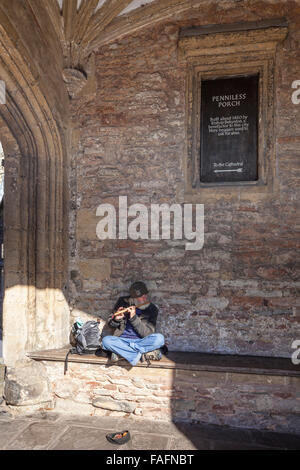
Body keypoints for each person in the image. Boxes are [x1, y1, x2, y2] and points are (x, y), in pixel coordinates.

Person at [102, 281, 165, 366]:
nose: (145, 298)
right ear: (133, 298)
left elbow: (148, 334)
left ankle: (122, 353)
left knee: (160, 339)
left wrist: (133, 318)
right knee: (106, 341)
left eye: (145, 295)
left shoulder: (152, 309)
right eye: (141, 297)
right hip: (122, 340)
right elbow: (110, 324)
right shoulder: (122, 302)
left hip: (141, 341)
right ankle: (142, 354)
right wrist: (116, 319)